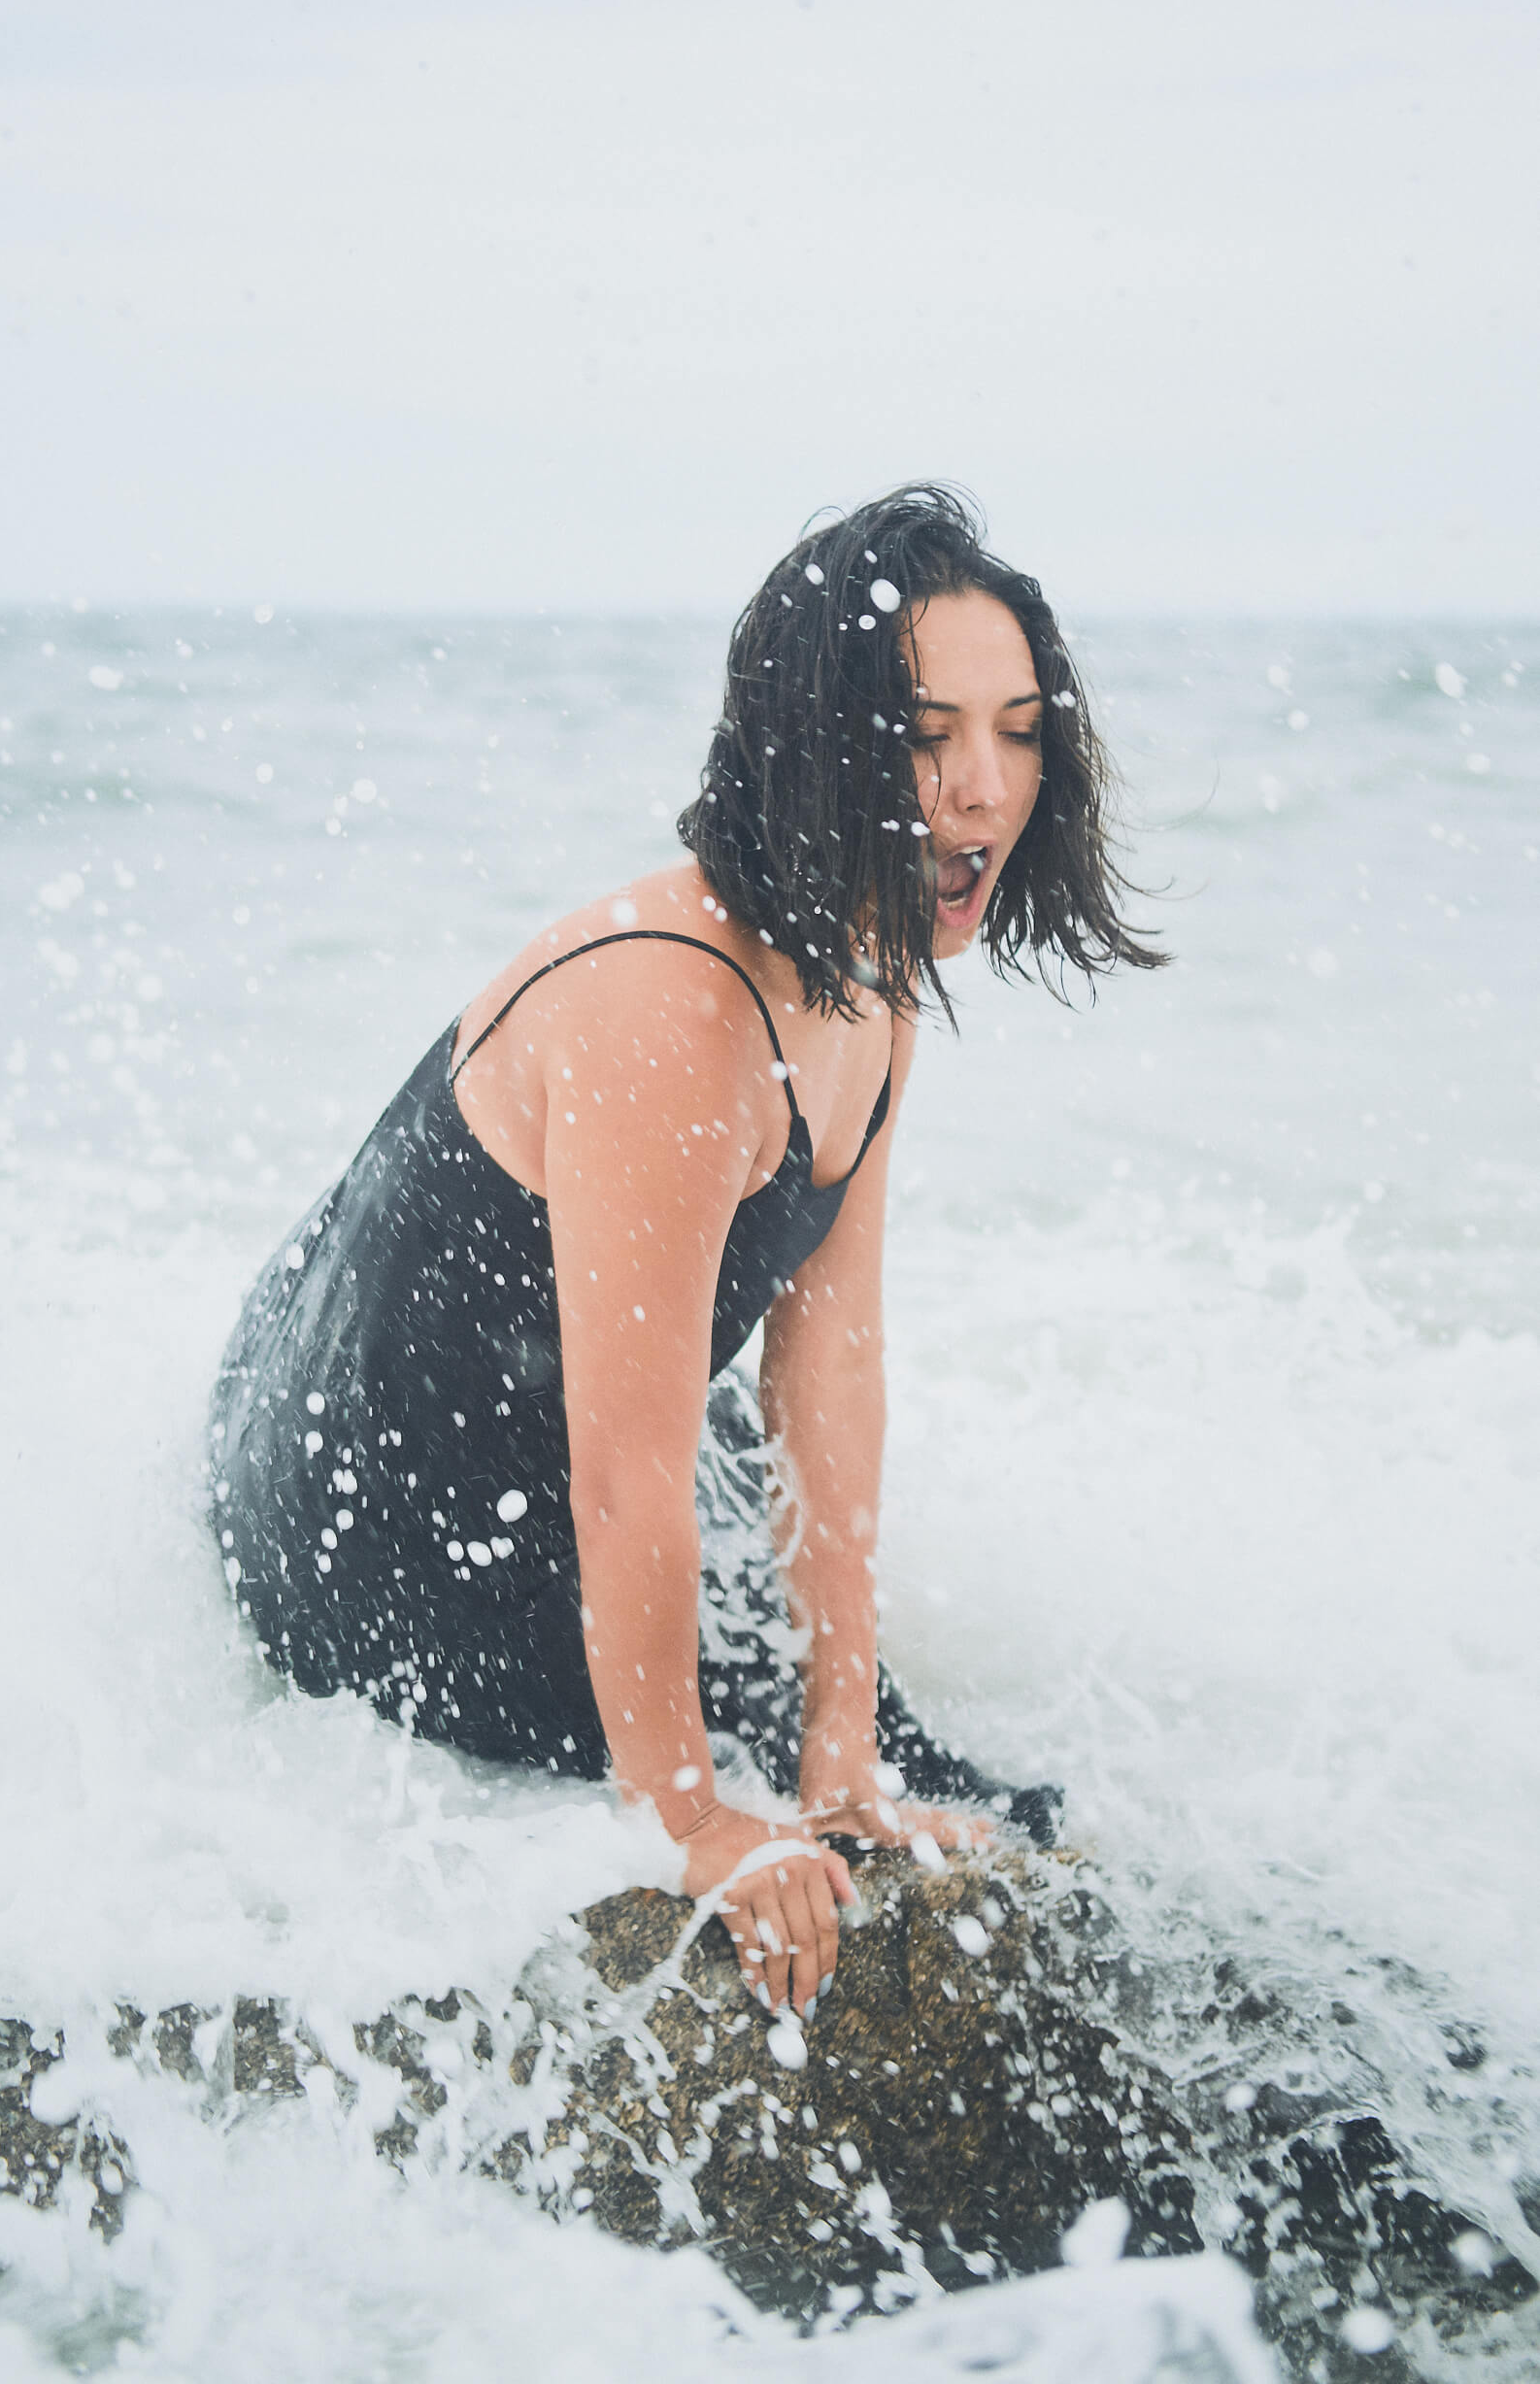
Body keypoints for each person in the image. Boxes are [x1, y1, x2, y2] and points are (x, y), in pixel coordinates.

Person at [210, 485, 1164, 2025]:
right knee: (765, 1753)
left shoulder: (875, 975)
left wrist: (841, 1752)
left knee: (888, 1758)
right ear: (813, 738)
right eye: (925, 735)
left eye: (1019, 727)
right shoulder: (672, 1004)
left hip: (541, 1403)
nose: (986, 788)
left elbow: (828, 1380)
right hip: (372, 1509)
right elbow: (622, 1473)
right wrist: (694, 1820)